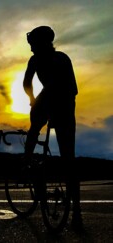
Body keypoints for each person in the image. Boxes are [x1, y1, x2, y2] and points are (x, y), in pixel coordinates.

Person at [22, 26, 82, 230]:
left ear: (41, 43)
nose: (31, 49)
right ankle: (77, 215)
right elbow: (28, 82)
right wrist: (33, 99)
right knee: (69, 158)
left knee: (35, 130)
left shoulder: (55, 59)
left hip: (58, 101)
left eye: (33, 45)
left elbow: (28, 83)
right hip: (63, 103)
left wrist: (33, 101)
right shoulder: (59, 58)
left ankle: (26, 162)